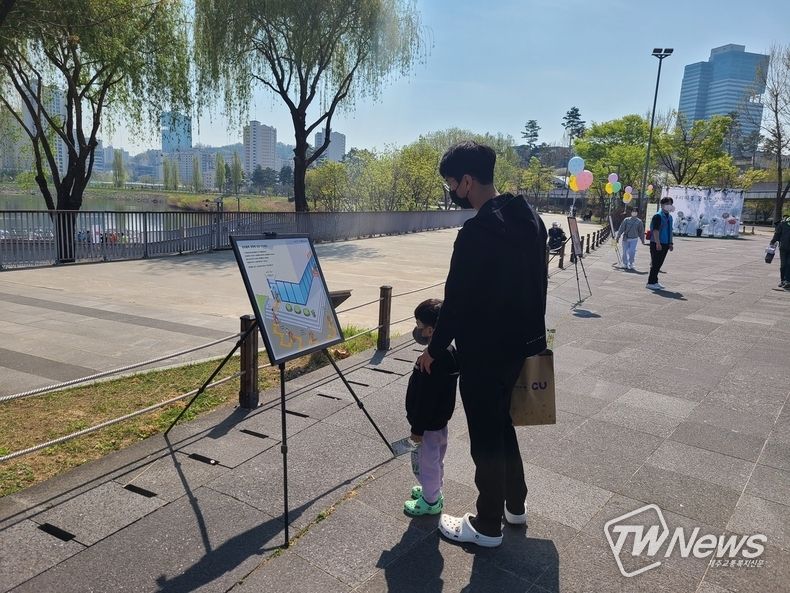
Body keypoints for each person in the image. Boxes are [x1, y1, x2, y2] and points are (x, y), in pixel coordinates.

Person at [417, 141, 547, 548]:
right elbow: (539, 286)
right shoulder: (532, 220)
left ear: (467, 181)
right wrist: (535, 340)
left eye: (452, 184)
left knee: (486, 435)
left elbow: (455, 302)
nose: (452, 191)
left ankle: (487, 524)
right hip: (521, 347)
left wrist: (433, 350)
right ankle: (515, 504)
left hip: (483, 353)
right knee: (503, 425)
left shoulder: (476, 233)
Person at [404, 299, 459, 517]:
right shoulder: (450, 351)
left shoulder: (431, 362)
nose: (417, 329)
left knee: (427, 462)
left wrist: (417, 429)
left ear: (430, 330)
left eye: (419, 324)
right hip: (439, 422)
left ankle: (431, 501)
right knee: (436, 459)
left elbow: (426, 399)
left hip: (427, 425)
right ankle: (433, 489)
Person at [647, 197, 674, 290]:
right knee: (655, 263)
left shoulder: (669, 217)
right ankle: (650, 282)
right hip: (657, 242)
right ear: (662, 205)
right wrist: (658, 243)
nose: (669, 206)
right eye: (667, 204)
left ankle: (655, 281)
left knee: (659, 263)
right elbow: (655, 230)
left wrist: (670, 243)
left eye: (670, 204)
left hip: (665, 243)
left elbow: (670, 231)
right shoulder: (658, 216)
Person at [770, 215, 790, 289]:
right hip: (783, 248)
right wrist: (772, 242)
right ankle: (782, 281)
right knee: (783, 265)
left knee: (789, 264)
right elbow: (777, 234)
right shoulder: (783, 224)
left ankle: (787, 281)